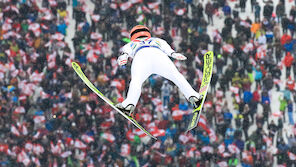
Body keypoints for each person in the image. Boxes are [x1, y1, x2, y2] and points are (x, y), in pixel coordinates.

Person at [115, 25, 202, 117]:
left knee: (136, 81)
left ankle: (129, 105)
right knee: (176, 76)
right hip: (159, 55)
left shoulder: (131, 43)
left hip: (141, 56)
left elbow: (125, 53)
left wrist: (123, 58)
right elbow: (168, 50)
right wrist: (174, 54)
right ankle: (194, 97)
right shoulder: (157, 40)